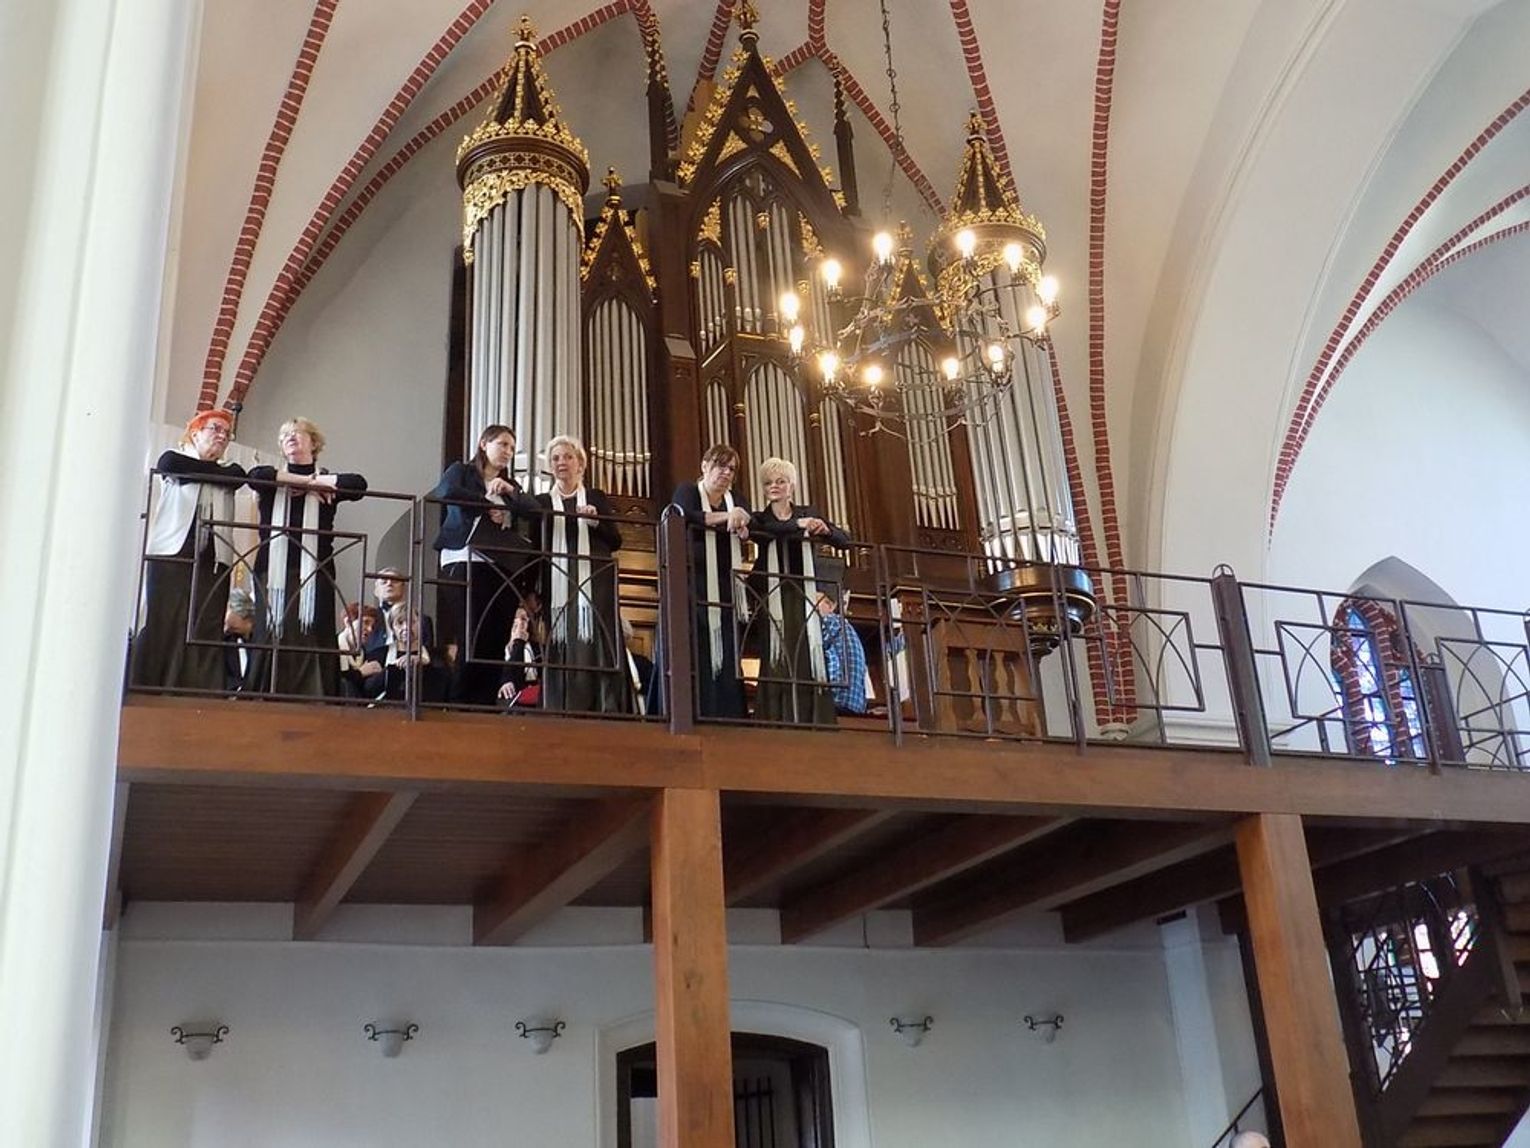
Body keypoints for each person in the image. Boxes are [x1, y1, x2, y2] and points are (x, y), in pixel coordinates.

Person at [246, 417, 367, 696]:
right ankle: (267, 692)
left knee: (313, 630)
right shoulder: (272, 479)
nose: (290, 437)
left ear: (314, 443)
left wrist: (322, 481)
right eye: (285, 435)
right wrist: (308, 483)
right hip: (272, 569)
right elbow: (255, 475)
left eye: (297, 433)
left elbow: (359, 484)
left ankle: (315, 694)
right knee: (272, 630)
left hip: (316, 569)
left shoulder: (328, 481)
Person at [131, 409, 249, 692]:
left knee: (205, 622)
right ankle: (153, 684)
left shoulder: (230, 469)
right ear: (195, 434)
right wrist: (215, 474)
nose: (222, 436)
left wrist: (201, 474)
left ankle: (199, 688)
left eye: (227, 433)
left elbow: (236, 476)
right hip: (172, 551)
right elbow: (171, 465)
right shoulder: (174, 458)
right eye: (215, 429)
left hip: (214, 557)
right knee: (165, 617)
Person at [432, 424, 540, 706]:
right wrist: (485, 504)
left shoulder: (510, 486)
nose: (508, 451)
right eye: (502, 444)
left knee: (496, 636)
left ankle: (484, 706)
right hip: (464, 560)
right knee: (473, 636)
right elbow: (446, 491)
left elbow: (536, 512)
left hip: (500, 566)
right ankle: (459, 704)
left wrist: (511, 494)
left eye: (512, 448)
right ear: (483, 443)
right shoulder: (462, 471)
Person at [748, 457, 852, 725]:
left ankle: (811, 717)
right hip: (772, 595)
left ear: (791, 486)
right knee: (775, 653)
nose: (774, 486)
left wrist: (824, 529)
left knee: (806, 651)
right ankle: (775, 717)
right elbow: (768, 529)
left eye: (780, 481)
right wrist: (799, 525)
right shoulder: (761, 518)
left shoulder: (808, 512)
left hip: (802, 594)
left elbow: (844, 541)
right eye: (768, 483)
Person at [532, 434, 627, 713]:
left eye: (568, 457)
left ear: (580, 464)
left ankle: (604, 707)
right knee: (562, 640)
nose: (561, 462)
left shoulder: (596, 497)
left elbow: (615, 540)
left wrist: (596, 521)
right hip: (557, 583)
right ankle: (559, 706)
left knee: (597, 640)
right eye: (555, 458)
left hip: (595, 581)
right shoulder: (542, 502)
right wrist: (531, 590)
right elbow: (535, 547)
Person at [669, 444, 751, 718]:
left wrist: (743, 525)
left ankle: (727, 713)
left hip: (725, 584)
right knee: (697, 647)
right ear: (704, 466)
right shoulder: (688, 491)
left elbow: (749, 523)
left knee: (727, 648)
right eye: (720, 466)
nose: (726, 473)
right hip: (692, 583)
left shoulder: (736, 498)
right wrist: (728, 517)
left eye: (731, 469)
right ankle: (694, 710)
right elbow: (684, 515)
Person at [363, 567, 433, 667]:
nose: (389, 583)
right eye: (384, 582)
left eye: (395, 581)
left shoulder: (423, 620)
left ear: (404, 588)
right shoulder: (366, 619)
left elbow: (428, 652)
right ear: (376, 591)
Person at [817, 591, 869, 716]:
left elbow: (811, 650)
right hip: (855, 706)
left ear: (831, 606)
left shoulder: (831, 621)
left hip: (838, 702)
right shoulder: (845, 626)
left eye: (816, 603)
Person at [497, 592, 544, 707]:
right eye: (515, 619)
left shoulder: (538, 650)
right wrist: (518, 643)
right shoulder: (497, 650)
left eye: (523, 619)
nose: (519, 623)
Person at [337, 604, 384, 699]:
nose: (370, 629)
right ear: (348, 622)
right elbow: (332, 679)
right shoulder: (333, 647)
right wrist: (360, 673)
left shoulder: (365, 654)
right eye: (365, 622)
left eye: (373, 627)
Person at [222, 586, 258, 694]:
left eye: (233, 627)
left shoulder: (259, 643)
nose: (226, 630)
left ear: (248, 620)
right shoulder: (226, 642)